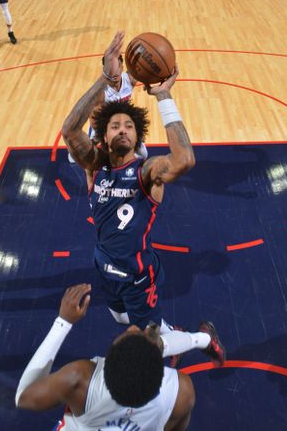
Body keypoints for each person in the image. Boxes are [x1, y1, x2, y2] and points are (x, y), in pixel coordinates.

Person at [61, 31, 225, 367]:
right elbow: (71, 130)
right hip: (103, 266)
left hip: (137, 275)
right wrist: (105, 79)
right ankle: (169, 332)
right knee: (124, 322)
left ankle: (204, 338)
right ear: (103, 138)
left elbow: (184, 161)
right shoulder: (94, 167)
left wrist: (164, 97)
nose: (121, 129)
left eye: (128, 127)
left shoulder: (147, 172)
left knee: (148, 340)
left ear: (138, 139)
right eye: (114, 126)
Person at [16, 284, 197, 430]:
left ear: (105, 362)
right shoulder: (182, 391)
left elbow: (23, 397)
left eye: (128, 334)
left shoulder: (79, 379)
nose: (133, 327)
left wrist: (62, 323)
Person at [68, 53, 148, 164]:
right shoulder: (101, 93)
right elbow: (95, 119)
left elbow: (143, 68)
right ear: (105, 69)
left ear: (122, 67)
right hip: (102, 123)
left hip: (123, 119)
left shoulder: (130, 79)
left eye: (118, 67)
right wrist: (104, 137)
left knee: (144, 154)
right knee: (78, 158)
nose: (115, 72)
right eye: (111, 68)